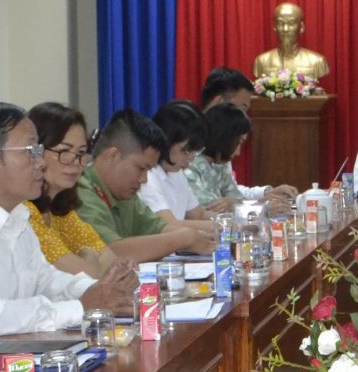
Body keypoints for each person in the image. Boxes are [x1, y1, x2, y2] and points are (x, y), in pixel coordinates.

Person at [0, 103, 131, 344]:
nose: (41, 162)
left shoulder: (16, 212)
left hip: (5, 350)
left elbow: (43, 280)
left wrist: (94, 290)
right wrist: (80, 308)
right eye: (30, 151)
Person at [79, 110, 202, 261]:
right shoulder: (81, 193)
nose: (144, 180)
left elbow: (159, 228)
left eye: (148, 171)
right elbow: (110, 253)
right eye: (141, 168)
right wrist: (184, 238)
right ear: (113, 156)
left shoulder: (124, 193)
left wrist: (202, 237)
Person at [25, 102, 116, 279]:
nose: (76, 162)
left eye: (81, 153)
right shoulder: (24, 211)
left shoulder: (61, 212)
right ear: (36, 152)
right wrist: (88, 255)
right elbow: (87, 275)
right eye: (64, 151)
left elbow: (113, 264)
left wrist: (89, 262)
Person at [185, 105, 298, 214]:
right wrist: (258, 207)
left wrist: (260, 201)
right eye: (238, 143)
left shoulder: (220, 163)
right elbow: (209, 207)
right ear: (224, 138)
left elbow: (235, 197)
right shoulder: (188, 162)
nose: (238, 152)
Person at [142, 100, 220, 242]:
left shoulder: (176, 171)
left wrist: (236, 220)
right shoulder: (146, 175)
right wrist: (223, 226)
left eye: (195, 152)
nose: (191, 159)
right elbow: (169, 224)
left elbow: (198, 215)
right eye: (186, 151)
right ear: (166, 141)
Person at [252, 2, 330, 80]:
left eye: (291, 23)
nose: (285, 29)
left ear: (301, 27)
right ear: (274, 27)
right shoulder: (261, 61)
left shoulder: (317, 61)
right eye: (280, 23)